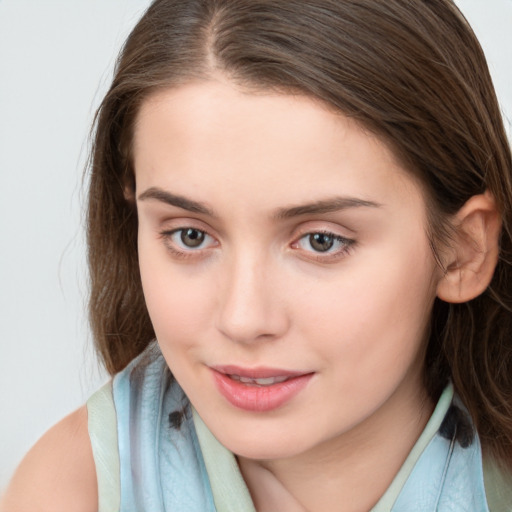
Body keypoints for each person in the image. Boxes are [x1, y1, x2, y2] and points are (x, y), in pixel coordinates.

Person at [2, 0, 512, 510]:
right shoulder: (71, 492)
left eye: (321, 241)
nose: (243, 319)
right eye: (190, 236)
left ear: (463, 251)